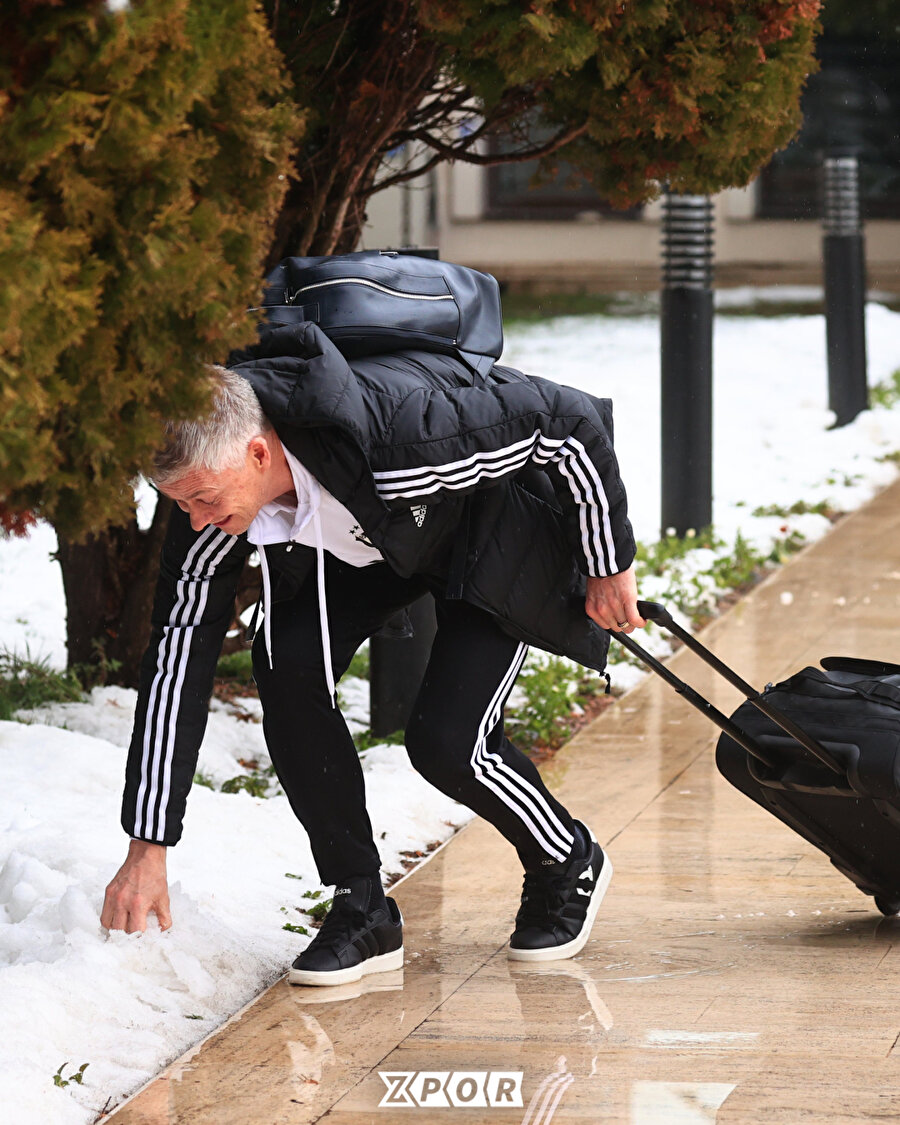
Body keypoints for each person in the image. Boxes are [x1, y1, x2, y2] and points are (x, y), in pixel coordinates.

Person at [100, 318, 645, 986]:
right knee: (286, 662)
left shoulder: (402, 428)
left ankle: (566, 858)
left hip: (482, 522)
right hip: (371, 534)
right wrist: (147, 845)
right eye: (178, 502)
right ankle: (362, 905)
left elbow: (566, 422)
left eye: (202, 498)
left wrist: (606, 559)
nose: (194, 519)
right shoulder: (210, 500)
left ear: (258, 454)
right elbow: (178, 655)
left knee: (447, 741)